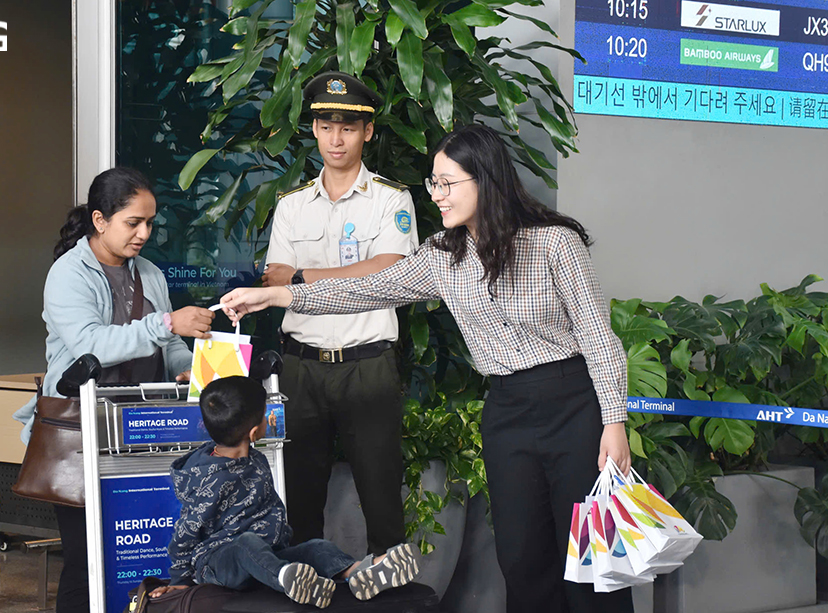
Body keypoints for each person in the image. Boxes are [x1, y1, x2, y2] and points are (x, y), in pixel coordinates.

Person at [220, 124, 635, 613]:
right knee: (521, 559)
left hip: (572, 406)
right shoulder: (443, 256)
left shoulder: (554, 244)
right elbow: (362, 290)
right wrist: (275, 295)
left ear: (485, 179)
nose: (436, 195)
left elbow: (599, 340)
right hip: (506, 411)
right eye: (432, 184)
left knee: (589, 560)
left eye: (446, 183)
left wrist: (614, 423)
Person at [12, 167, 215, 613]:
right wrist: (165, 323)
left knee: (147, 557)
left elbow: (173, 347)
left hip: (143, 433)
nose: (144, 233)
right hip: (82, 437)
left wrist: (187, 368)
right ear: (100, 220)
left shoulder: (151, 275)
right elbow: (91, 345)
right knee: (89, 563)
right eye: (133, 223)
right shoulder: (68, 274)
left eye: (149, 223)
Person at [262, 71, 419, 556]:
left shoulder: (393, 200)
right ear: (313, 129)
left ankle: (390, 601)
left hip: (366, 366)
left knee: (381, 500)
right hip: (301, 367)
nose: (336, 137)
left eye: (348, 127)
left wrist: (306, 276)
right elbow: (274, 279)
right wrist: (350, 274)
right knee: (299, 501)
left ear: (368, 132)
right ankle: (307, 594)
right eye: (327, 125)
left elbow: (388, 274)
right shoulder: (292, 205)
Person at [150, 376, 419, 608]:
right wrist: (180, 581)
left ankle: (360, 572)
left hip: (269, 553)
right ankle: (290, 581)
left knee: (316, 547)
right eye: (267, 412)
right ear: (255, 432)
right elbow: (185, 533)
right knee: (246, 544)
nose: (270, 416)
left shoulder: (255, 459)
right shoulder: (209, 479)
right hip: (220, 562)